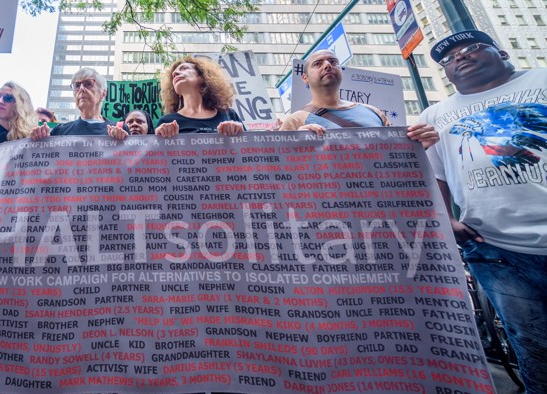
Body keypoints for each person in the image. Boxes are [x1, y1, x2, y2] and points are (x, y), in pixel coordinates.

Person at [420, 30, 547, 393]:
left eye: (472, 47)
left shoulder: (541, 79)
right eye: (449, 58)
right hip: (495, 248)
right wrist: (447, 220)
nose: (460, 56)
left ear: (501, 51)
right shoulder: (436, 115)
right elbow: (436, 177)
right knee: (532, 341)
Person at [279, 50, 438, 148]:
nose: (327, 65)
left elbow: (394, 156)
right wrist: (296, 145)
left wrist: (418, 146)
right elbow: (280, 171)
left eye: (333, 61)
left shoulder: (373, 112)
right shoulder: (295, 121)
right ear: (305, 78)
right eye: (318, 64)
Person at [154, 56, 244, 137]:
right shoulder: (166, 122)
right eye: (173, 75)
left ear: (202, 77)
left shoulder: (229, 115)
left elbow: (249, 151)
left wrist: (241, 134)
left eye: (184, 68)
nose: (175, 73)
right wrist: (161, 140)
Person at [31, 68, 115, 139]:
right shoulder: (59, 131)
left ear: (103, 94)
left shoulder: (119, 130)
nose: (81, 89)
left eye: (88, 84)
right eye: (77, 86)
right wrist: (39, 141)